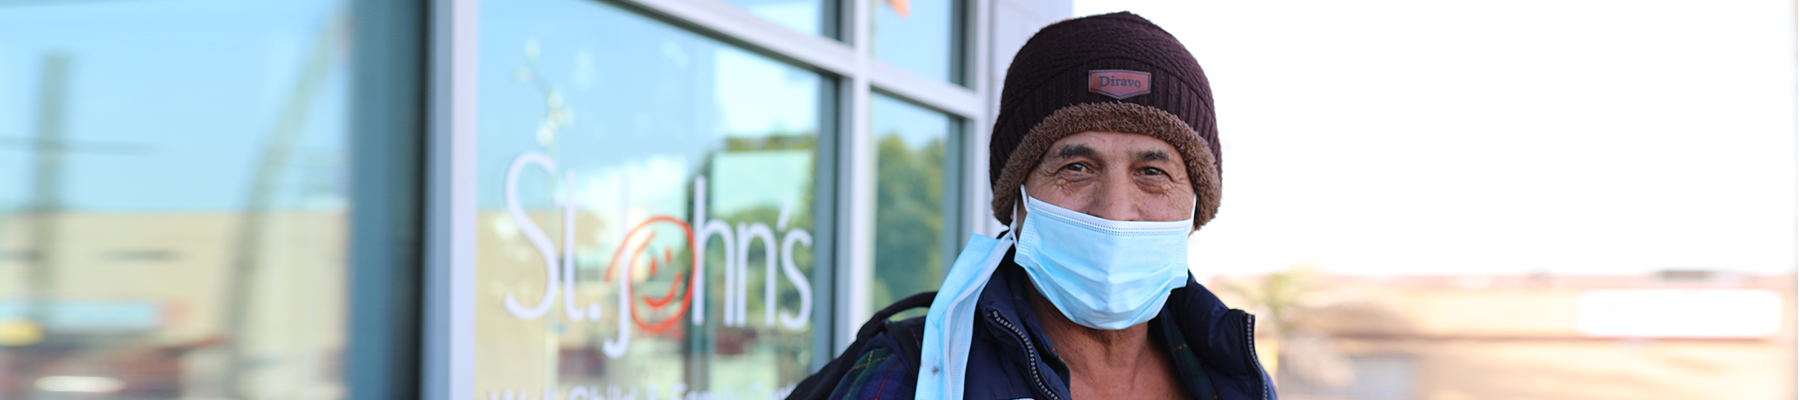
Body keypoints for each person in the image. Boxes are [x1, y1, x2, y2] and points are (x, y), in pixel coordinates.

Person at [788, 12, 1275, 400]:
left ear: (1196, 208)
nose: (1114, 209)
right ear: (1016, 198)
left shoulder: (1234, 379)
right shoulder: (916, 373)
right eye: (1077, 167)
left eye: (1152, 172)